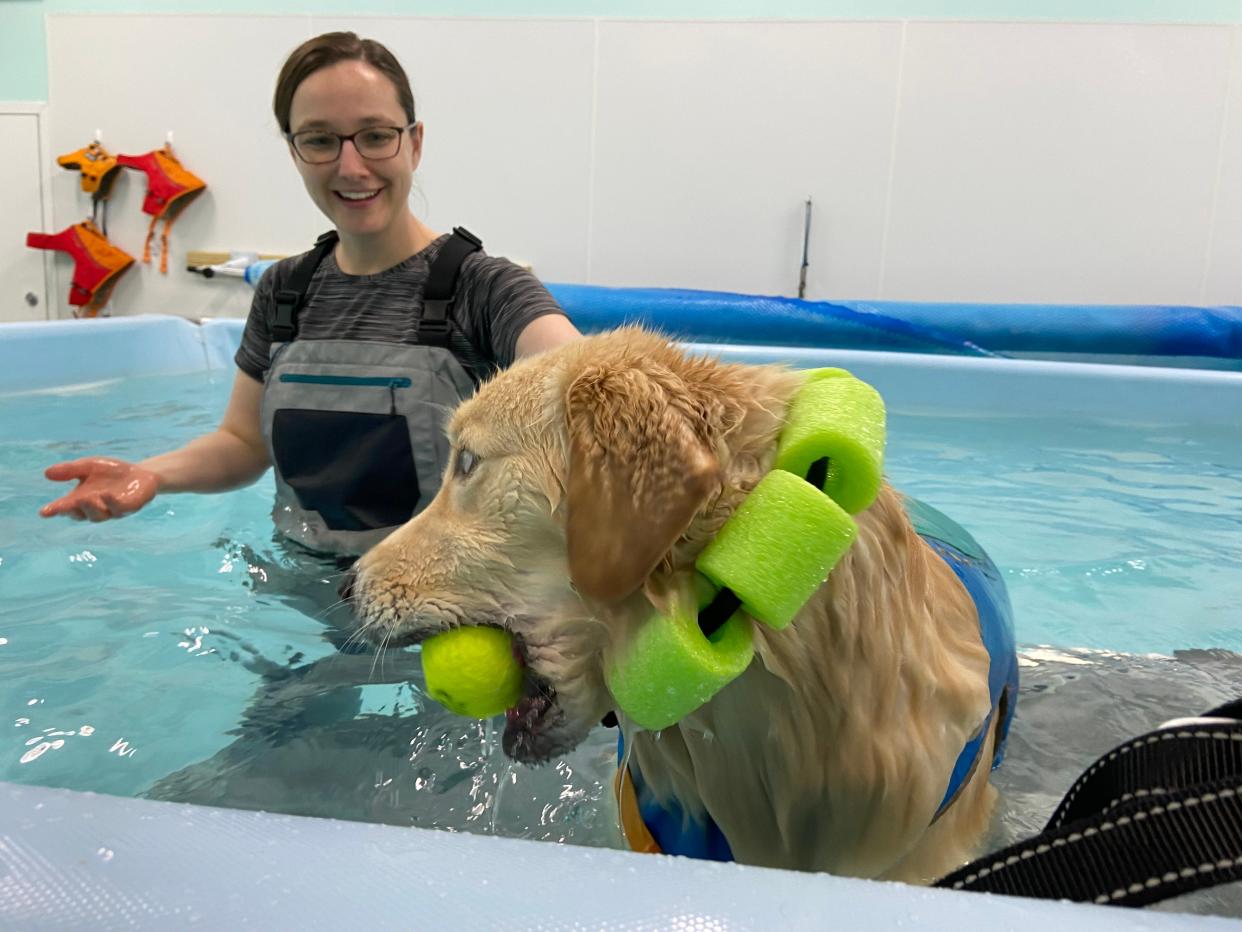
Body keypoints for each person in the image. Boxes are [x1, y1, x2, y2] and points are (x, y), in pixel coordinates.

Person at [39, 31, 581, 556]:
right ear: (295, 152)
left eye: (375, 135)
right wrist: (152, 474)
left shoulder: (484, 288)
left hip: (439, 614)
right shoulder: (283, 291)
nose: (351, 166)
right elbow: (244, 444)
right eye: (320, 140)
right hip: (295, 593)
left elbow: (590, 386)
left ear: (414, 142)